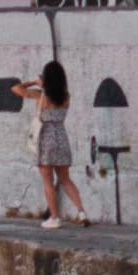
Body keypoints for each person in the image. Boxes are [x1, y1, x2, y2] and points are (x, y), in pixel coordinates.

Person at [12, 59, 87, 228]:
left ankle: (54, 217)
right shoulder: (66, 96)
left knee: (47, 181)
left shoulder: (41, 96)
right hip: (62, 137)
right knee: (66, 179)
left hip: (45, 139)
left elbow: (15, 89)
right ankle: (81, 212)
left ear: (46, 78)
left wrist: (35, 82)